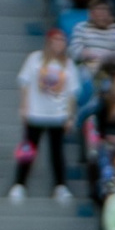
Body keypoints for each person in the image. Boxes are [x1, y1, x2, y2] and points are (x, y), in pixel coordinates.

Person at [12, 29, 80, 202]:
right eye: (56, 40)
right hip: (35, 113)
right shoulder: (35, 59)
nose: (59, 43)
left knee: (57, 152)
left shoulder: (68, 64)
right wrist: (24, 106)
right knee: (28, 151)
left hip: (58, 114)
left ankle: (60, 186)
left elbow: (72, 93)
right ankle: (19, 184)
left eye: (62, 40)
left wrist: (70, 116)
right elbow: (24, 83)